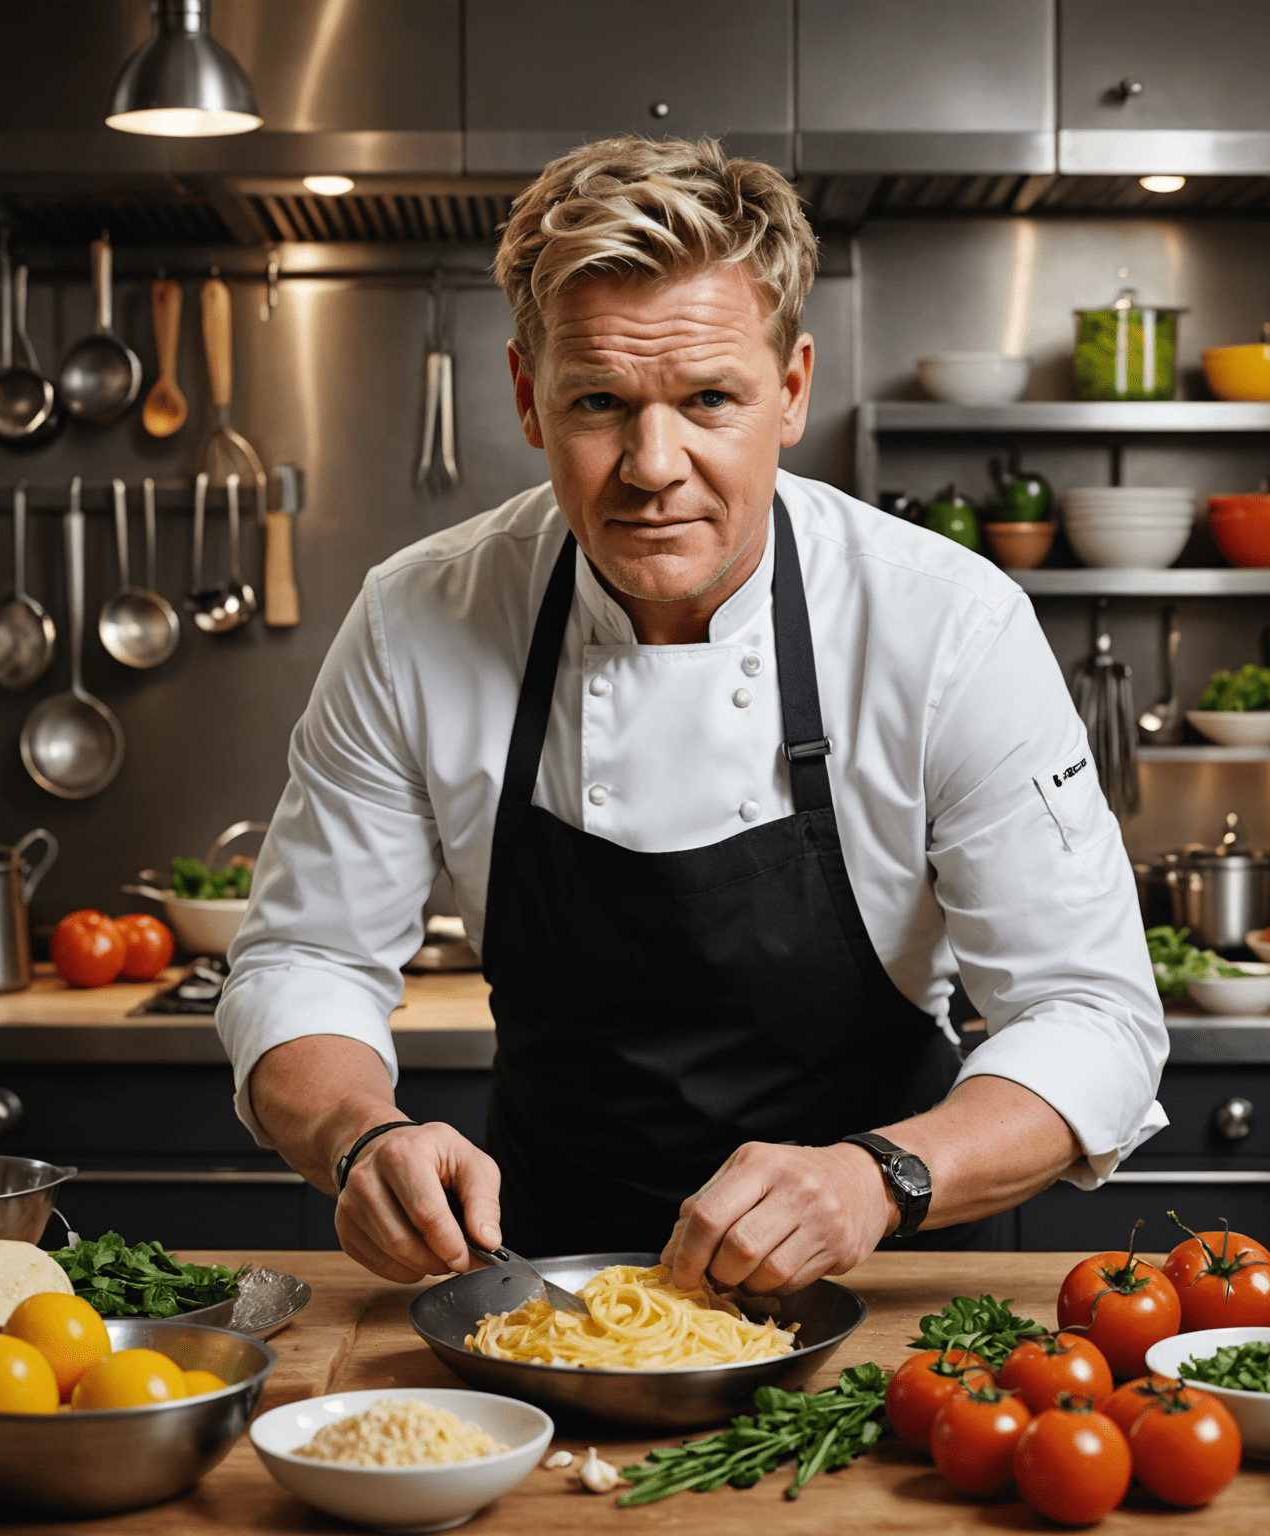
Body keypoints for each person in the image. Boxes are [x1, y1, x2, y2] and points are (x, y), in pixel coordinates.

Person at [217, 135, 1166, 1297]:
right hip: (539, 1286)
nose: (652, 466)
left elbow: (1092, 1015)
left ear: (793, 390)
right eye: (600, 402)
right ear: (527, 395)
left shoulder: (947, 627)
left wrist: (881, 1178)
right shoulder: (419, 616)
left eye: (710, 398)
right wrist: (362, 1136)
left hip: (876, 1292)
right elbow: (305, 958)